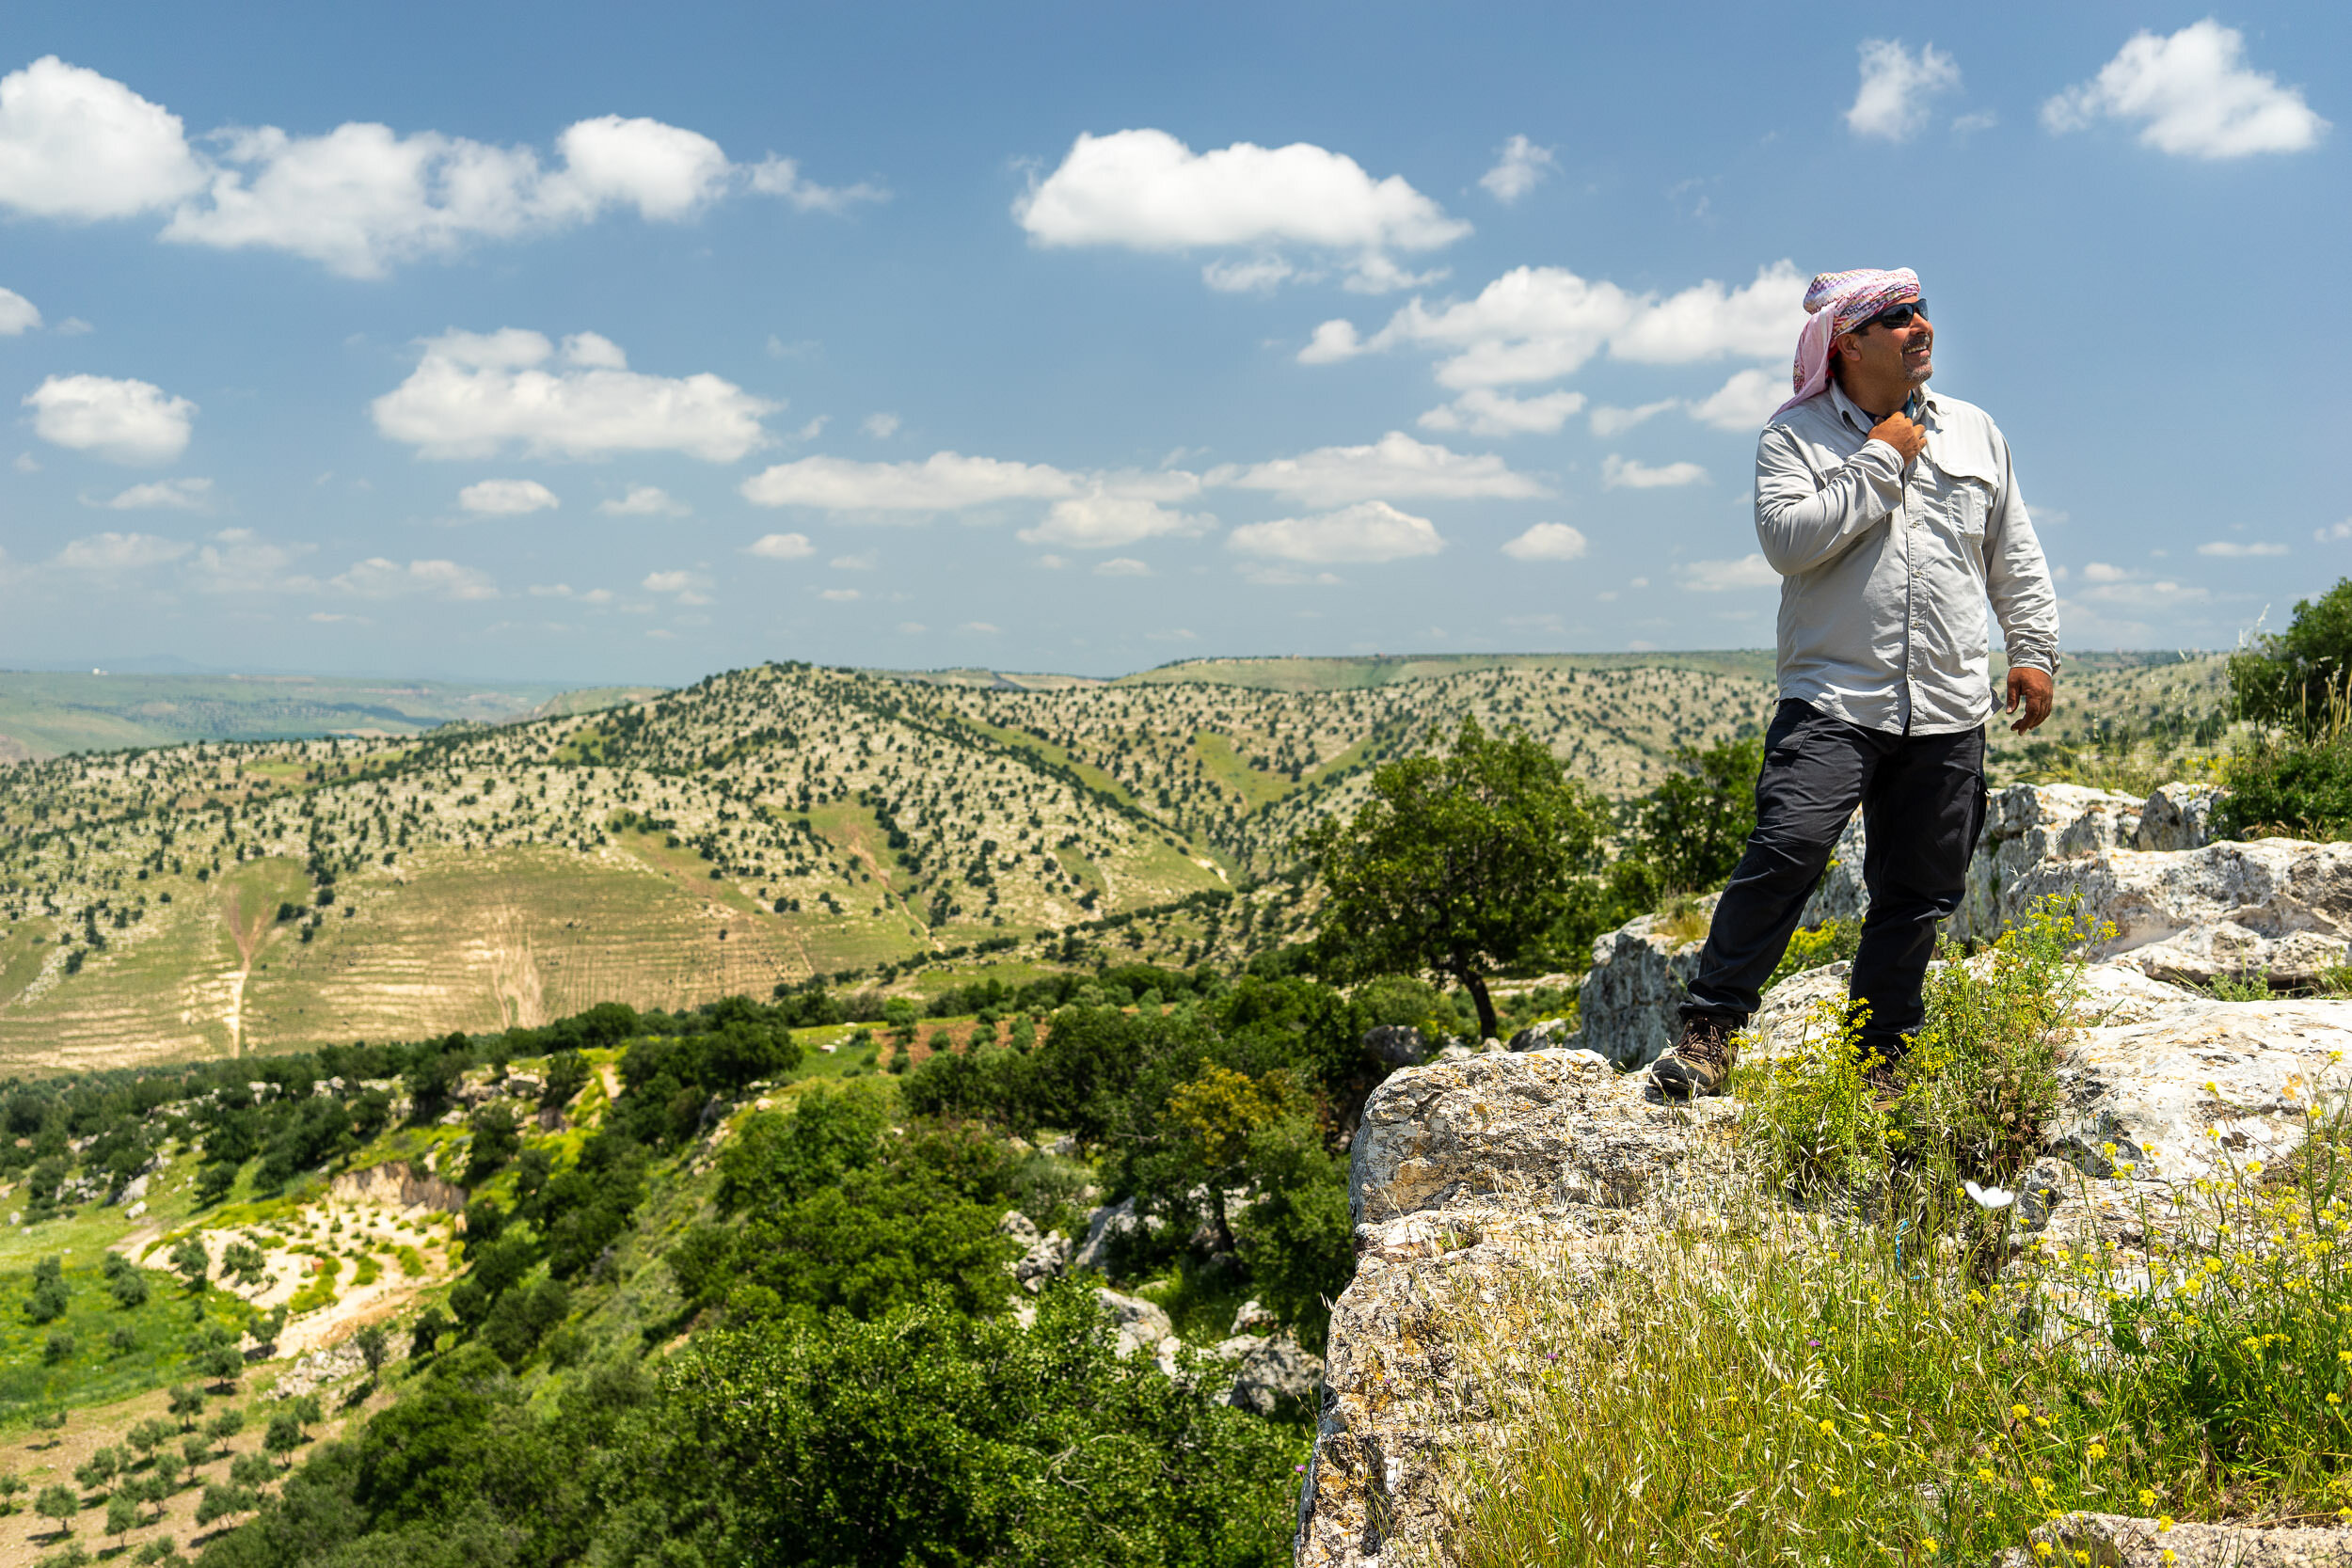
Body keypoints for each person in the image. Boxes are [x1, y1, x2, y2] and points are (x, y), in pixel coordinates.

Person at [1650, 267, 2058, 1101]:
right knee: (1789, 847)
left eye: (1921, 311)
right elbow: (1789, 542)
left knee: (1917, 893)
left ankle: (1879, 1064)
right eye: (1897, 317)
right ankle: (1709, 1031)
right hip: (1834, 697)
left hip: (1948, 703)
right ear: (1849, 343)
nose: (1921, 326)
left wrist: (2033, 649)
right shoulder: (1793, 436)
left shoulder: (1977, 432)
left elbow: (2012, 550)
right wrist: (1878, 461)